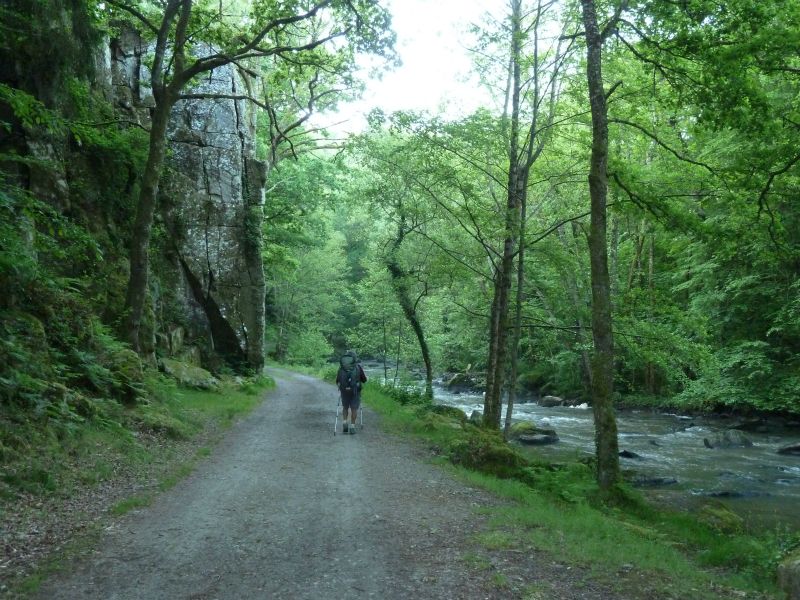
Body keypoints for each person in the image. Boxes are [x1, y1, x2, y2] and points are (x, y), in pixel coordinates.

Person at [336, 350, 367, 434]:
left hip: (344, 391)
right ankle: (352, 426)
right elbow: (364, 380)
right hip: (355, 391)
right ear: (354, 358)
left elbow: (338, 380)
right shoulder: (358, 367)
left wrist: (342, 386)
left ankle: (345, 422)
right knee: (354, 408)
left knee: (345, 407)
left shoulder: (341, 367)